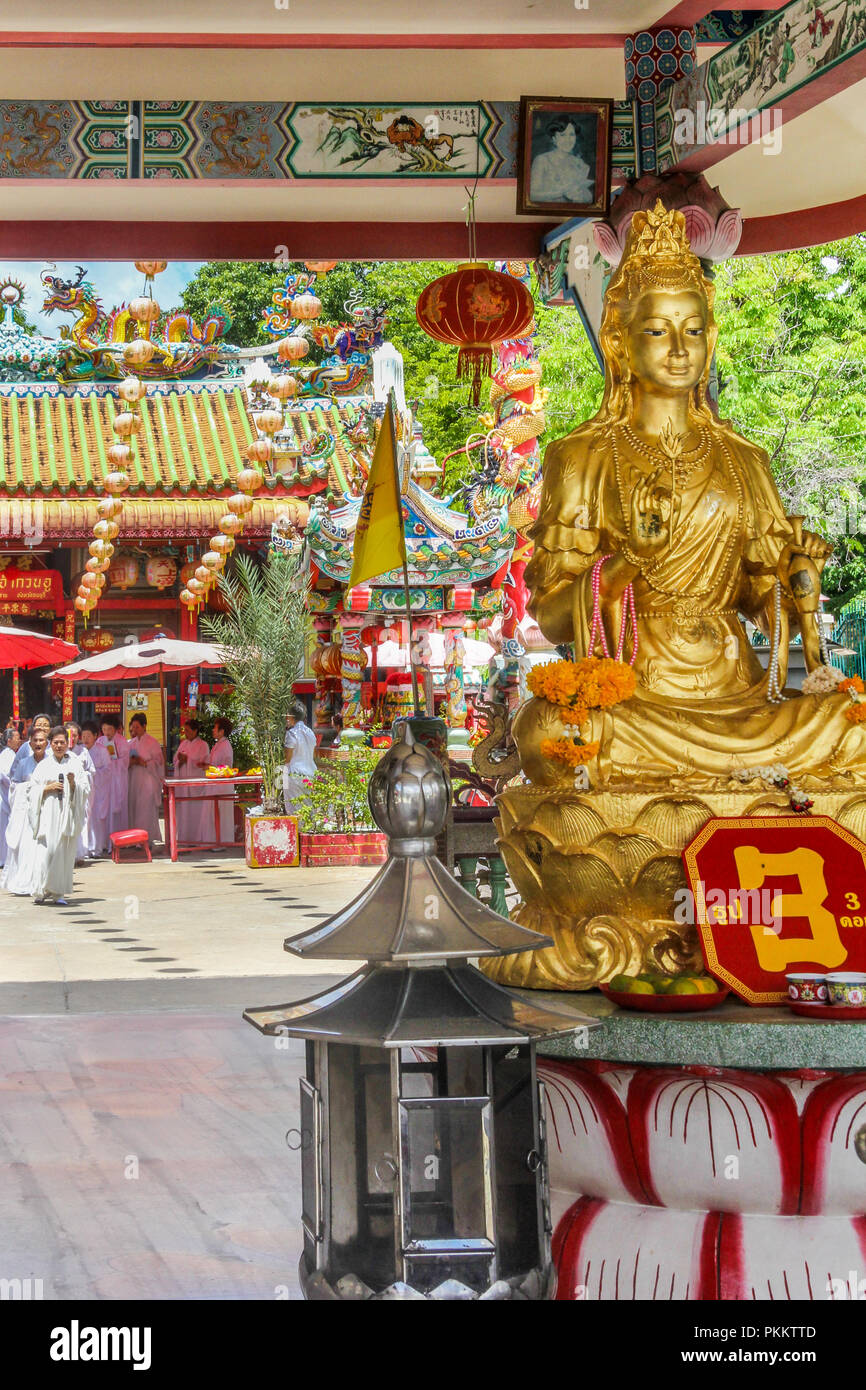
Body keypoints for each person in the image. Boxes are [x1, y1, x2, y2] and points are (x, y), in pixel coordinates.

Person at [29, 726, 91, 906]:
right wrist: (46, 788)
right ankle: (40, 891)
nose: (58, 746)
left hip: (66, 815)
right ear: (50, 744)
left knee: (62, 853)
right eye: (55, 742)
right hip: (48, 814)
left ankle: (58, 893)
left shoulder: (74, 763)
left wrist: (73, 784)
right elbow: (31, 790)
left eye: (62, 742)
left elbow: (85, 788)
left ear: (67, 743)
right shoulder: (43, 766)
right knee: (44, 852)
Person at [1, 725, 49, 896]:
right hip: (27, 813)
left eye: (41, 740)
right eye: (35, 740)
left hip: (46, 812)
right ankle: (26, 882)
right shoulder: (23, 763)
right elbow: (14, 787)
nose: (38, 743)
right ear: (30, 742)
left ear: (46, 742)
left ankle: (43, 883)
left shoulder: (52, 762)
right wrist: (35, 787)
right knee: (27, 848)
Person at [529, 117, 592, 204]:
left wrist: (582, 195)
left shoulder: (579, 163)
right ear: (554, 139)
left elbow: (588, 197)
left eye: (571, 135)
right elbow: (531, 195)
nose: (568, 140)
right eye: (562, 135)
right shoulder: (542, 160)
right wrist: (561, 193)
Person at [127, 713, 165, 846]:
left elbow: (159, 762)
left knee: (145, 810)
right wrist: (131, 762)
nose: (135, 730)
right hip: (134, 780)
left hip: (148, 780)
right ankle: (134, 838)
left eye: (137, 727)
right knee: (134, 808)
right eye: (133, 728)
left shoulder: (152, 742)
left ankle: (145, 839)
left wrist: (144, 763)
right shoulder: (131, 743)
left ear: (144, 726)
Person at [172, 717, 211, 845]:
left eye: (188, 731)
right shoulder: (183, 744)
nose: (185, 733)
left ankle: (197, 839)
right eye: (185, 730)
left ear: (195, 731)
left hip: (196, 785)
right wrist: (180, 760)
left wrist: (188, 760)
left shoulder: (203, 745)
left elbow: (204, 762)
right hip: (184, 783)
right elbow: (175, 760)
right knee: (183, 812)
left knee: (196, 812)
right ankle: (183, 839)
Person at [80, 720, 111, 857]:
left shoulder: (102, 750)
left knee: (97, 819)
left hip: (98, 790)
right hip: (85, 790)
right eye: (83, 736)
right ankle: (84, 848)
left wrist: (94, 774)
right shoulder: (80, 751)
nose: (85, 739)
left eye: (88, 735)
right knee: (85, 818)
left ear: (95, 736)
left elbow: (108, 770)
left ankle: (96, 848)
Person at [98, 716, 130, 836]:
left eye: (110, 729)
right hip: (105, 780)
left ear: (116, 729)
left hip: (118, 779)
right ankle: (104, 839)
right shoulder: (100, 741)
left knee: (117, 808)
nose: (107, 732)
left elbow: (125, 762)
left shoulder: (122, 741)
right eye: (104, 729)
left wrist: (113, 760)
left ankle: (119, 838)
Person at [283, 702, 317, 814]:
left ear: (292, 717)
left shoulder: (292, 733)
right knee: (309, 807)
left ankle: (298, 831)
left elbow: (287, 758)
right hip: (310, 772)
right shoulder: (310, 732)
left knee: (294, 808)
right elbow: (313, 754)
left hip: (294, 775)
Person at [210, 716, 236, 844]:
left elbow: (226, 766)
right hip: (217, 784)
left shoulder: (225, 746)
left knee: (223, 814)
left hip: (223, 784)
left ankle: (224, 841)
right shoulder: (218, 745)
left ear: (221, 731)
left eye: (215, 728)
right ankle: (217, 840)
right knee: (217, 813)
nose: (213, 730)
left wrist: (212, 768)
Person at [9, 712, 52, 787]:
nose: (42, 728)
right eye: (39, 725)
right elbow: (14, 773)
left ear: (50, 729)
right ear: (33, 727)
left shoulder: (54, 747)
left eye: (45, 725)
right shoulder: (26, 747)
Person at [0, 725, 22, 867]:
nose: (19, 740)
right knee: (4, 830)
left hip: (6, 796)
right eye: (17, 738)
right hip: (5, 797)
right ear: (9, 741)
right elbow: (6, 775)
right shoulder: (8, 755)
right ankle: (4, 860)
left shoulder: (10, 754)